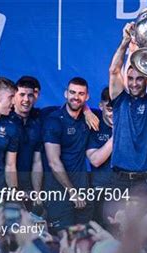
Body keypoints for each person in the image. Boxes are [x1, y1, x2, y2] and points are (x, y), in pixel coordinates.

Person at [108, 22, 147, 191]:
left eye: (139, 79)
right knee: (117, 219)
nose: (134, 83)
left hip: (146, 180)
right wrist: (124, 42)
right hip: (119, 179)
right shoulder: (120, 100)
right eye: (130, 78)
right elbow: (114, 71)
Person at [43, 77, 93, 230]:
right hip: (60, 194)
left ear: (87, 97)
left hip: (83, 192)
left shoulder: (89, 118)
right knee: (63, 243)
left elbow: (108, 111)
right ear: (66, 93)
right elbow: (53, 162)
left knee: (85, 243)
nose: (76, 97)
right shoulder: (54, 120)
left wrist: (88, 111)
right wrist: (73, 192)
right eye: (72, 92)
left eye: (80, 93)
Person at [9, 77, 43, 198]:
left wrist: (37, 194)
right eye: (22, 94)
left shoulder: (40, 119)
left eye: (30, 95)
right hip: (6, 189)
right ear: (13, 96)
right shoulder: (4, 119)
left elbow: (37, 161)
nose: (26, 99)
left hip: (29, 189)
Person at [86, 87, 114, 225]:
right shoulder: (94, 124)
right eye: (109, 108)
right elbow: (95, 160)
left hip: (127, 190)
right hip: (101, 191)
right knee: (102, 236)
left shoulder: (133, 123)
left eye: (118, 108)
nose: (114, 113)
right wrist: (117, 134)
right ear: (101, 105)